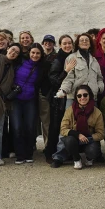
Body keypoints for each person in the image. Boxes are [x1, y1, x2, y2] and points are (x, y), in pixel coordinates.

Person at [50, 85, 105, 169]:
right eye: (79, 96)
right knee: (68, 140)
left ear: (89, 95)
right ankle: (76, 159)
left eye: (85, 95)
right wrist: (78, 135)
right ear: (76, 97)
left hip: (89, 140)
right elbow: (63, 129)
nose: (82, 98)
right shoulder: (70, 110)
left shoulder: (97, 112)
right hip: (74, 139)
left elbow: (101, 133)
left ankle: (89, 158)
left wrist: (88, 138)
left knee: (93, 150)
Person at [10, 42, 44, 164]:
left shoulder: (42, 67)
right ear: (29, 53)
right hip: (16, 99)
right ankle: (19, 155)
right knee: (17, 127)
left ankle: (29, 153)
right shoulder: (19, 62)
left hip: (30, 100)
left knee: (30, 127)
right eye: (33, 52)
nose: (35, 55)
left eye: (38, 53)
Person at [44, 34, 75, 162]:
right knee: (55, 126)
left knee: (68, 125)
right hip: (58, 98)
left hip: (70, 96)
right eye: (64, 43)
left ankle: (66, 152)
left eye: (69, 43)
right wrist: (66, 71)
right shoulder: (58, 59)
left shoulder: (73, 57)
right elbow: (54, 81)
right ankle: (50, 153)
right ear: (60, 45)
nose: (67, 45)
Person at [56, 33, 104, 109]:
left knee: (92, 120)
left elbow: (99, 78)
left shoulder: (94, 61)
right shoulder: (72, 58)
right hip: (74, 98)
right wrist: (64, 90)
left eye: (87, 40)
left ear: (90, 44)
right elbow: (68, 78)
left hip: (91, 98)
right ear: (78, 44)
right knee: (72, 120)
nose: (84, 41)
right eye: (81, 40)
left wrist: (98, 88)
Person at [38, 34, 57, 154]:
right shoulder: (39, 55)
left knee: (53, 120)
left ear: (54, 44)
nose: (48, 43)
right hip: (42, 91)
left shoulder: (57, 57)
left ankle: (52, 145)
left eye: (50, 42)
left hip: (53, 92)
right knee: (45, 120)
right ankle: (47, 144)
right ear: (43, 43)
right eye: (46, 41)